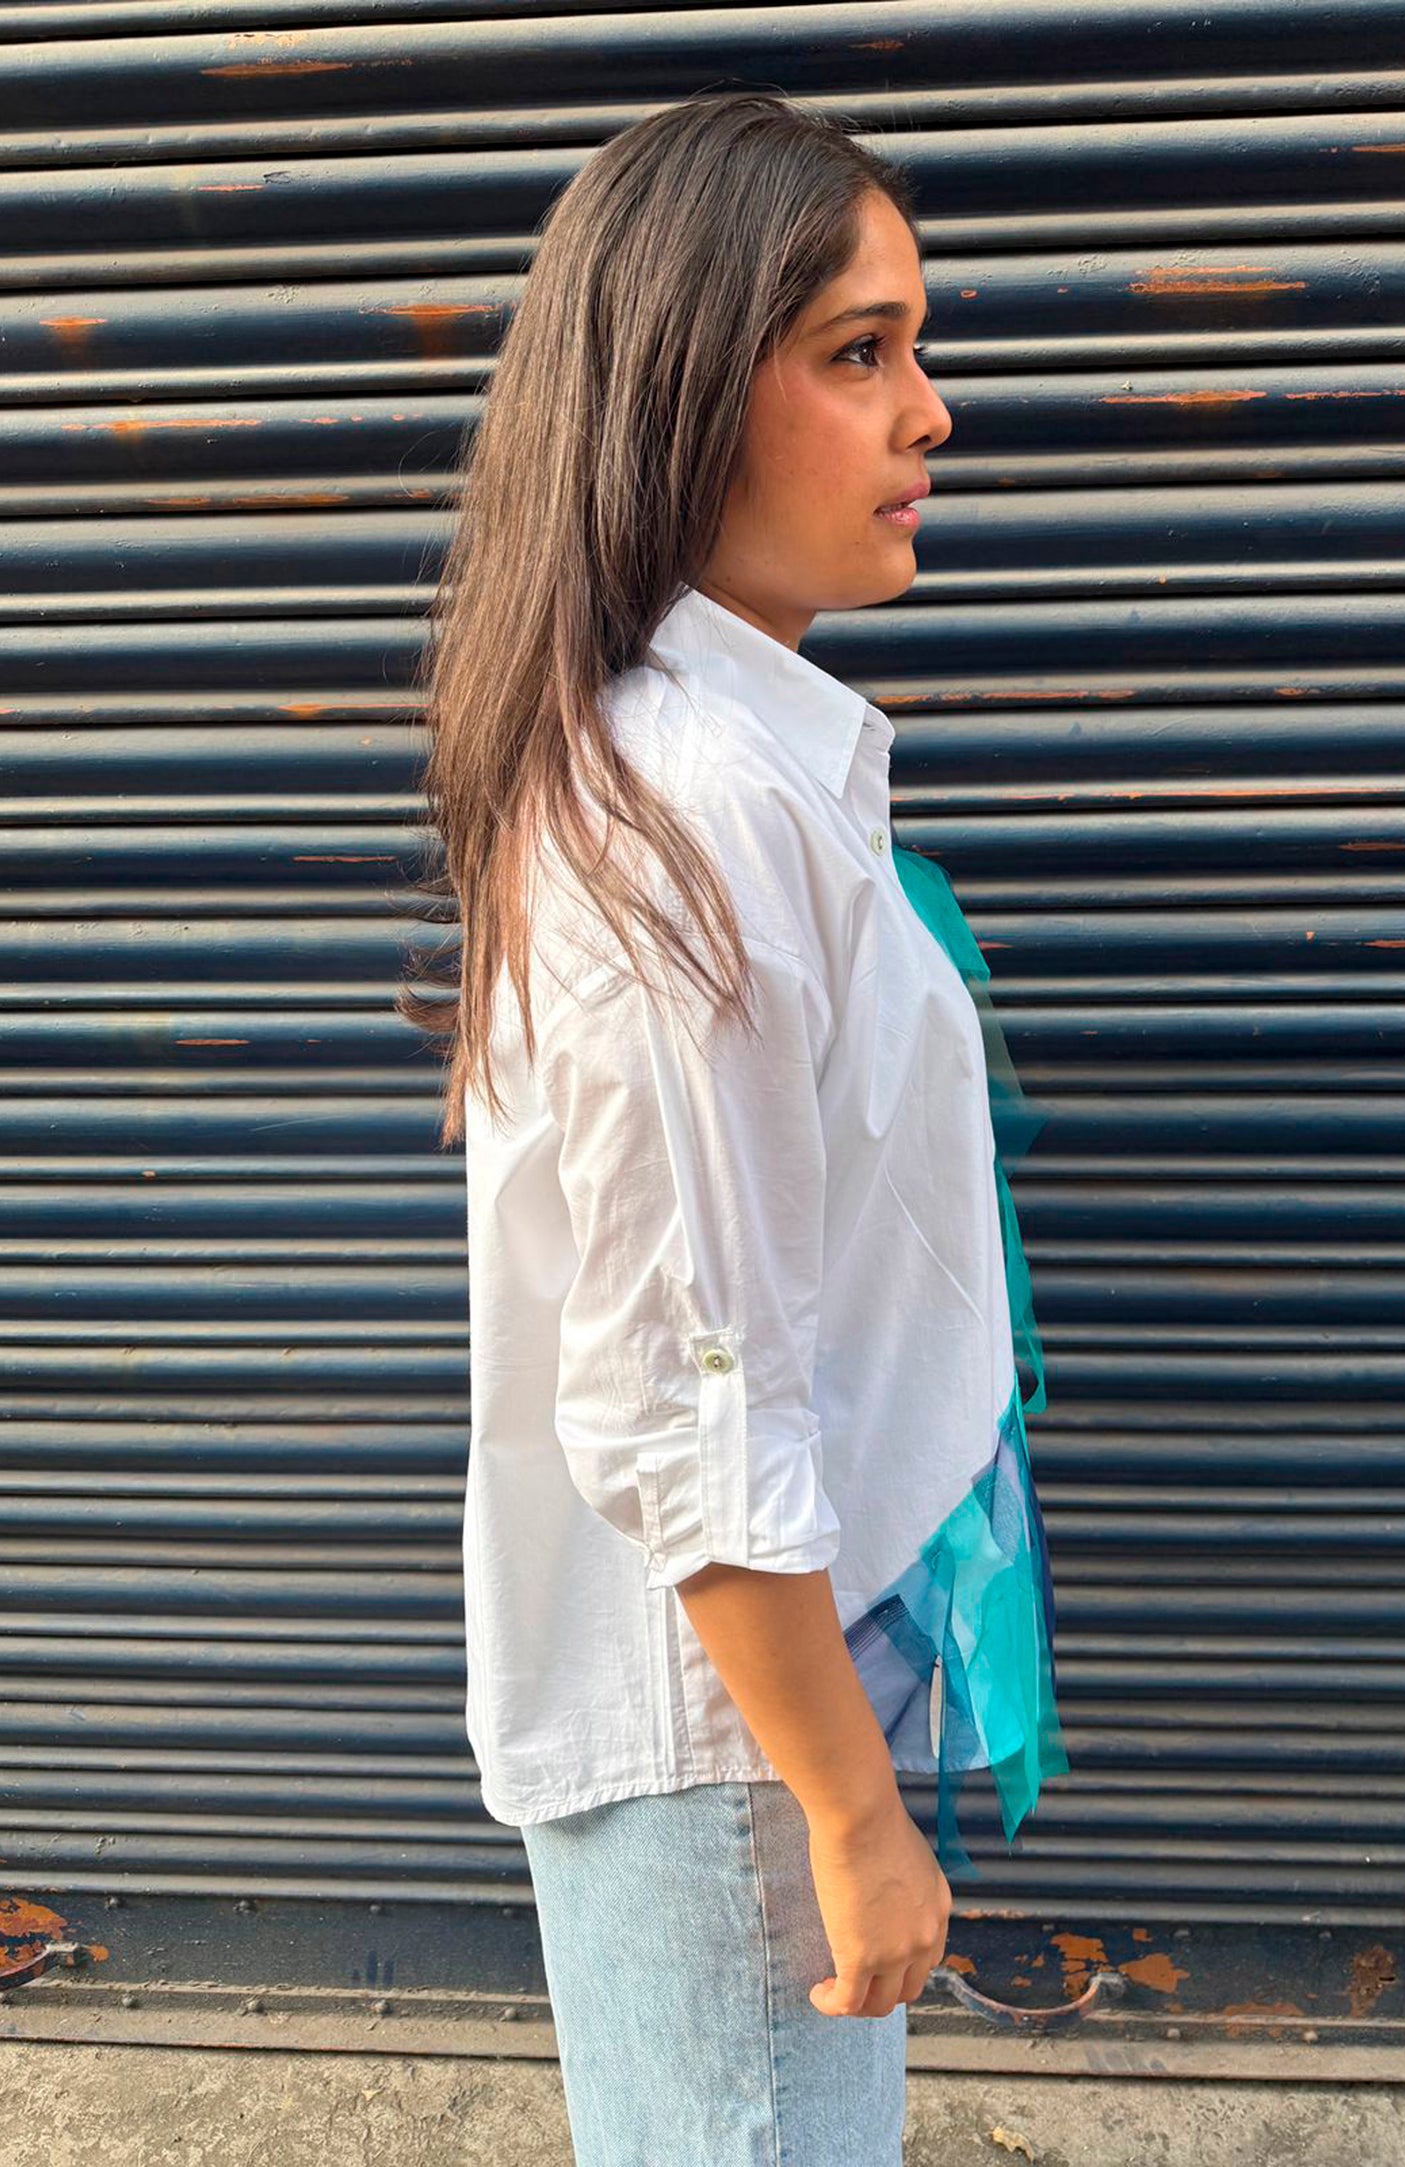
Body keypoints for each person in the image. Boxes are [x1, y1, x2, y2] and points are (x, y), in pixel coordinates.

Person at [399, 86, 1066, 2167]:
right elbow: (684, 1395)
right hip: (732, 1747)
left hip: (761, 1700)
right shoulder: (675, 816)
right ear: (684, 395)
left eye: (914, 348)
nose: (930, 412)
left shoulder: (737, 770)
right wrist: (849, 1813)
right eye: (860, 353)